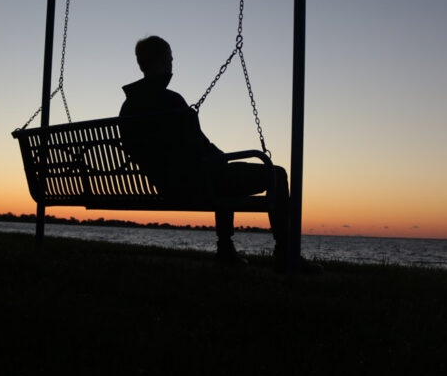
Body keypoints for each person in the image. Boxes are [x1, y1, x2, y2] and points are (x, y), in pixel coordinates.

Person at [119, 35, 320, 273]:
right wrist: (220, 155)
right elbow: (197, 145)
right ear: (161, 60)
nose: (173, 63)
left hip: (164, 184)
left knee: (220, 173)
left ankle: (226, 249)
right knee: (276, 174)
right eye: (170, 58)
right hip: (191, 182)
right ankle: (285, 252)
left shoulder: (128, 107)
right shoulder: (170, 101)